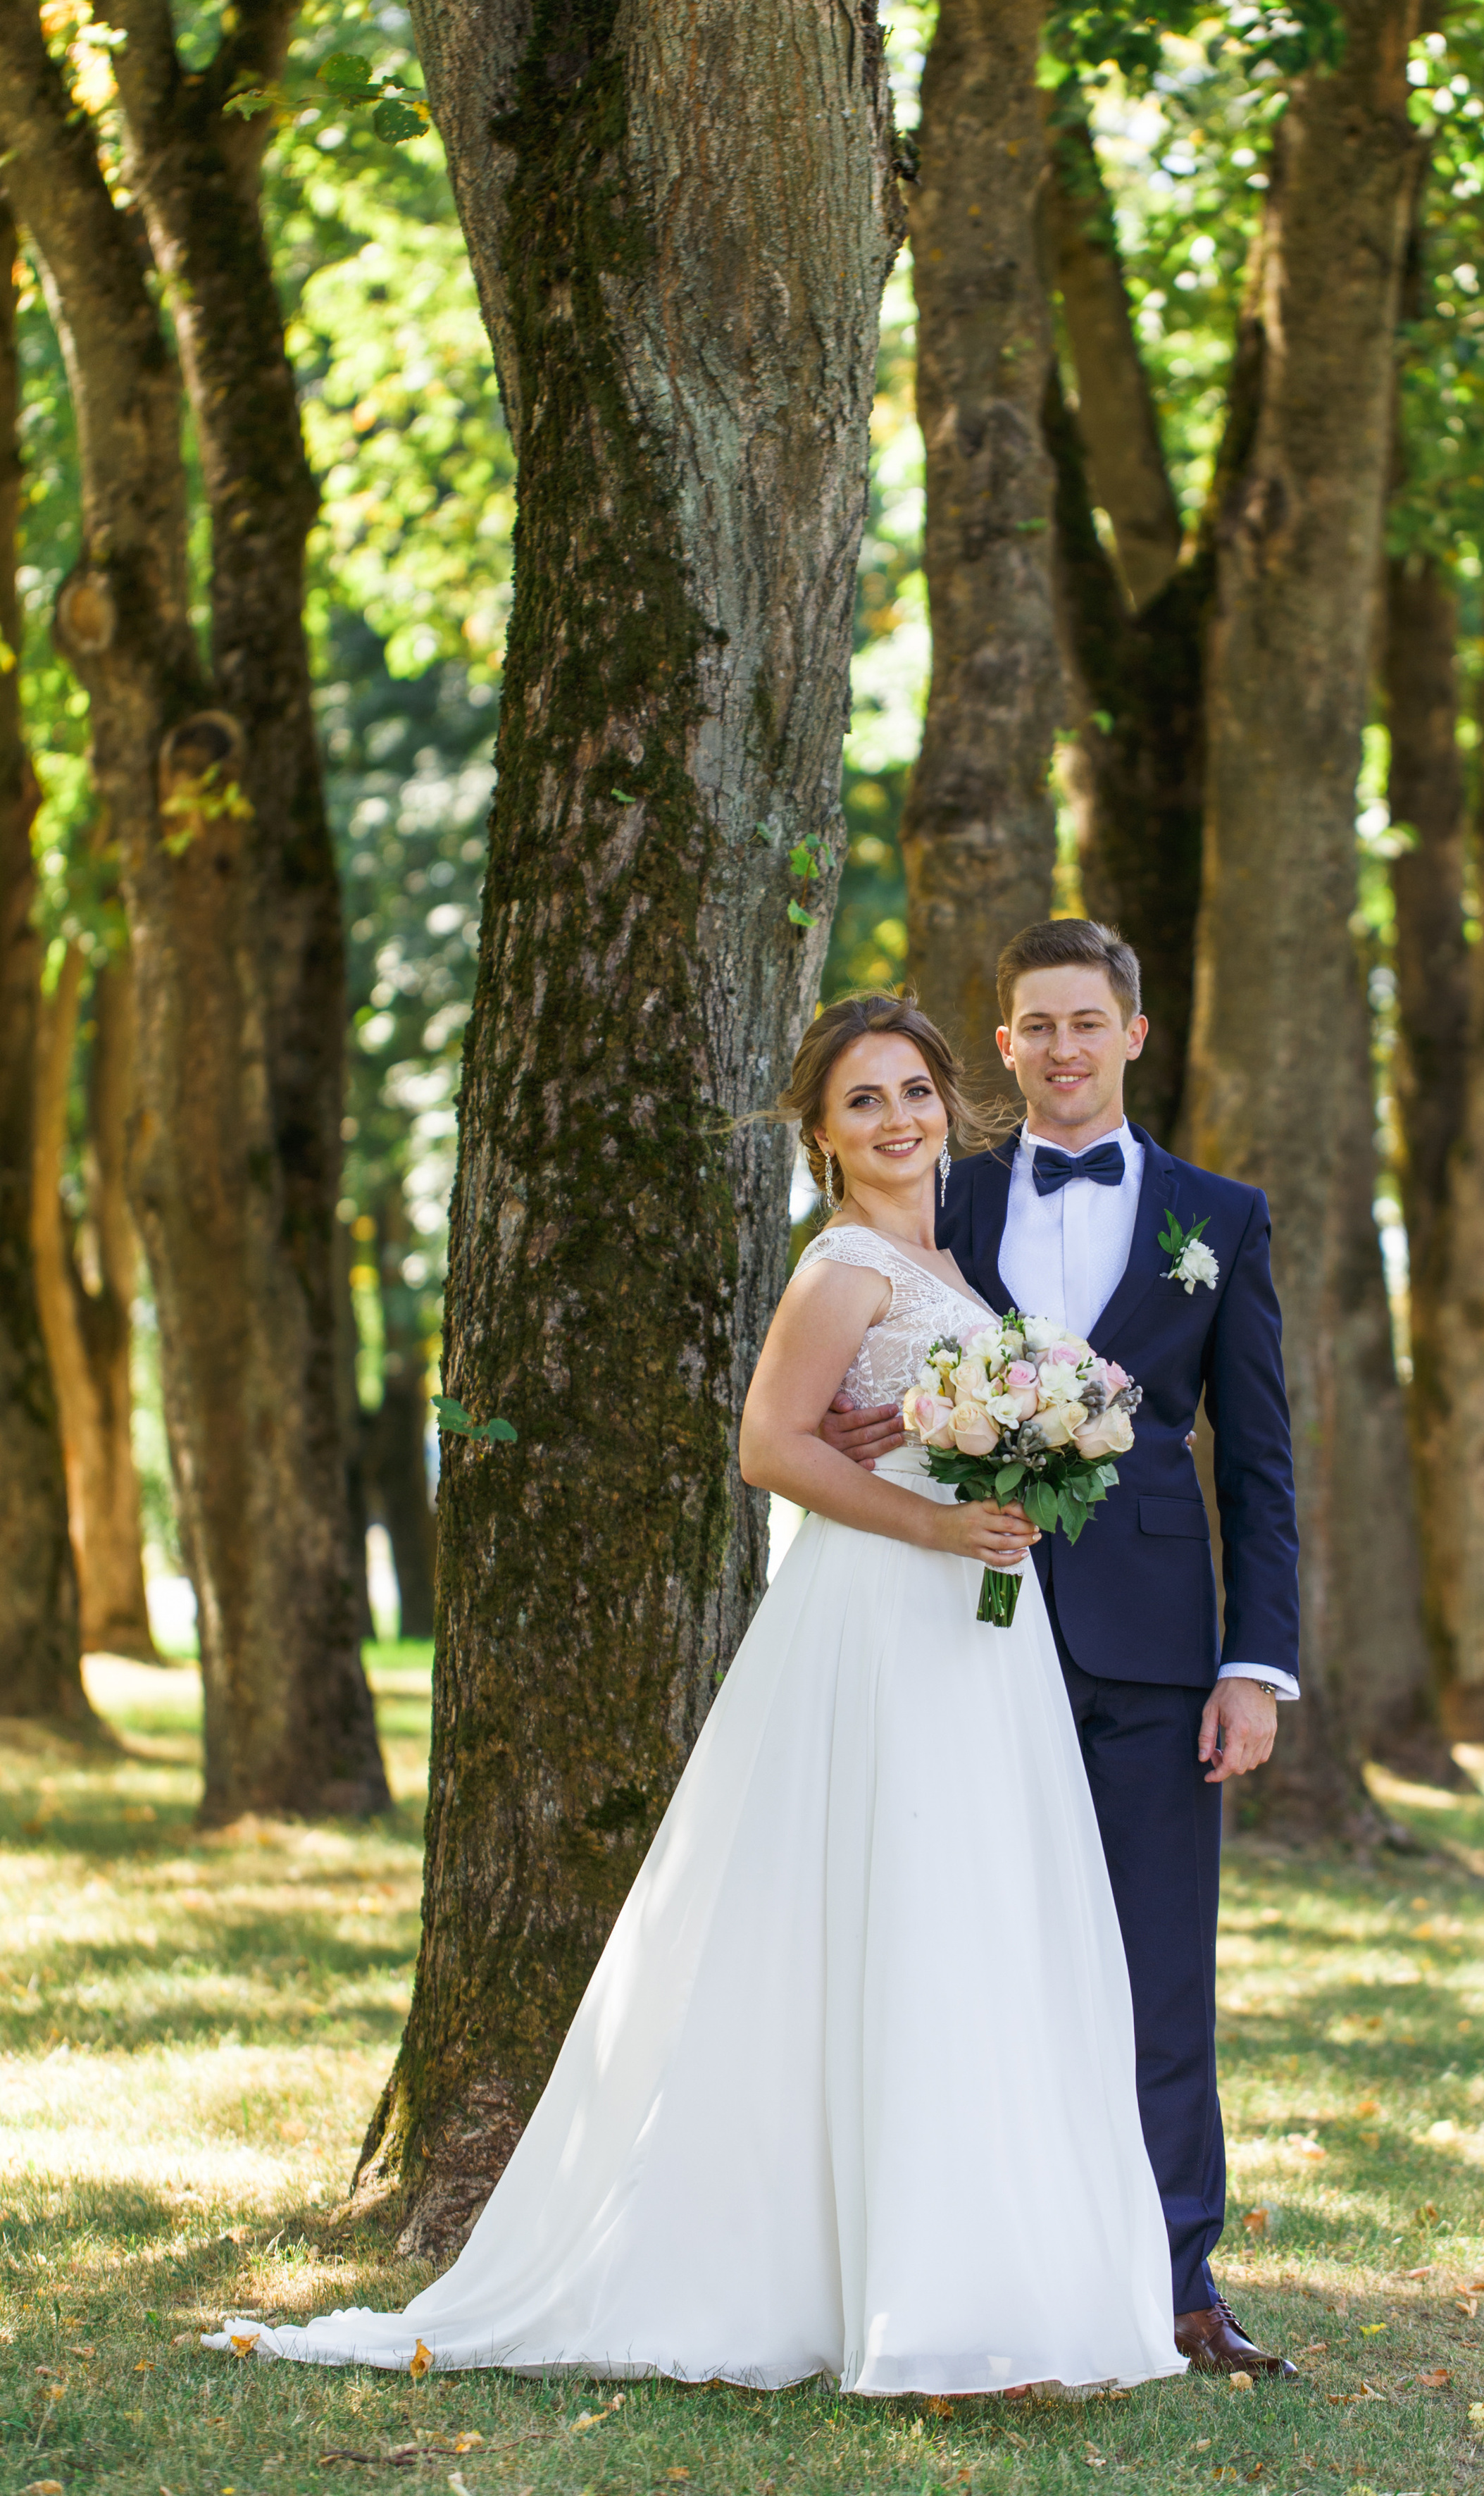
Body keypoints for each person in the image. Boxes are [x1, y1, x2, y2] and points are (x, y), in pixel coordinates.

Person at [206, 993, 1187, 2397]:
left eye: (912, 1091)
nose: (895, 1119)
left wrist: (1005, 1478)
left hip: (973, 1619)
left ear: (949, 1108)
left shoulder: (947, 1264)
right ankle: (867, 2283)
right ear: (820, 1134)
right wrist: (932, 1523)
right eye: (862, 1101)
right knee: (892, 1905)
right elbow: (767, 1447)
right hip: (884, 1617)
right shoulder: (844, 1263)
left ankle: (979, 2270)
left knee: (968, 1911)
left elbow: (898, 1425)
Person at [822, 921, 1301, 2380]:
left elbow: (1260, 1462)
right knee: (969, 1952)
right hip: (962, 1633)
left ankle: (1174, 2285)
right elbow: (871, 1370)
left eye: (1087, 1022)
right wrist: (880, 1429)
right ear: (1007, 1044)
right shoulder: (933, 1194)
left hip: (1154, 1652)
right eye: (1035, 1027)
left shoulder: (1217, 1220)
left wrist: (1254, 1663)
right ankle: (985, 2259)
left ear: (1133, 1034)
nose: (1063, 1050)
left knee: (1157, 1969)